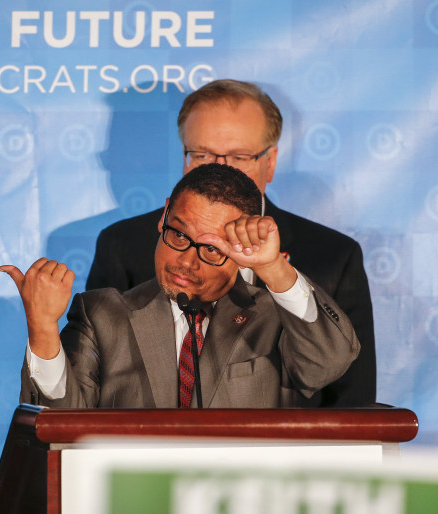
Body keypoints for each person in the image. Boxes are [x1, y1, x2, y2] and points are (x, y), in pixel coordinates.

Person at [86, 79, 376, 408]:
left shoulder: (333, 257)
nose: (219, 171)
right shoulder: (124, 245)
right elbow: (94, 386)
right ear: (183, 156)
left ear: (271, 161)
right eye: (201, 155)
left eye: (238, 157)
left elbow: (353, 401)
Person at [1, 163, 359, 408]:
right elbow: (58, 422)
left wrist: (272, 267)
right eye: (178, 235)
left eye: (211, 249)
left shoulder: (275, 317)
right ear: (164, 216)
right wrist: (43, 329)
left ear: (242, 250)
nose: (186, 262)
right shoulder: (103, 315)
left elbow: (328, 363)